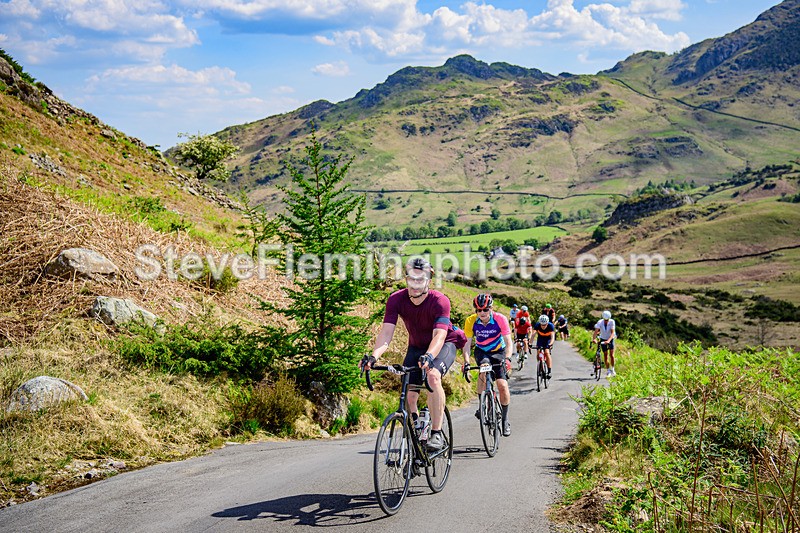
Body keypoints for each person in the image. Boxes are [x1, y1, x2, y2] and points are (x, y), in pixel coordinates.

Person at [361, 257, 465, 450]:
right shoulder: (396, 299)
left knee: (433, 377)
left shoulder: (440, 301)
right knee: (408, 392)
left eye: (420, 279)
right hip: (416, 347)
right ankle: (417, 427)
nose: (415, 284)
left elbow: (439, 336)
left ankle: (436, 433)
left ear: (429, 280)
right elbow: (386, 333)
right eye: (411, 278)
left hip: (443, 344)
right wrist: (374, 356)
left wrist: (430, 356)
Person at [462, 293, 514, 437]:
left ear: (491, 308)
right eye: (479, 310)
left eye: (485, 309)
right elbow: (466, 344)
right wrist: (466, 362)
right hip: (482, 352)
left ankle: (505, 420)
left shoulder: (500, 319)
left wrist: (508, 359)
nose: (482, 313)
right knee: (483, 372)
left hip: (499, 352)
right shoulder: (471, 321)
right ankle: (482, 406)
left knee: (502, 385)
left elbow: (509, 342)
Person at [592, 310, 617, 377]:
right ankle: (608, 370)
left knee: (612, 355)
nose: (606, 321)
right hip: (603, 338)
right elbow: (596, 332)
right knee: (605, 355)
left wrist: (608, 340)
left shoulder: (612, 322)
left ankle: (613, 369)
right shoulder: (600, 322)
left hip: (610, 339)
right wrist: (594, 339)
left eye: (607, 320)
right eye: (605, 320)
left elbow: (612, 333)